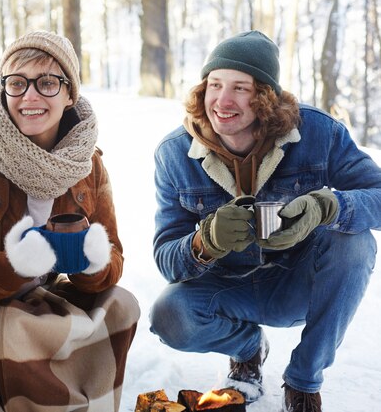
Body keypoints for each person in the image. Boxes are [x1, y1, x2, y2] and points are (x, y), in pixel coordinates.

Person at [149, 30, 381, 412]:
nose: (222, 101)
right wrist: (203, 241)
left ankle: (304, 380)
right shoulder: (174, 153)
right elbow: (165, 256)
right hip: (228, 288)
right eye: (215, 85)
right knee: (169, 314)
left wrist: (329, 207)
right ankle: (247, 349)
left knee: (355, 242)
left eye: (240, 88)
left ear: (265, 97)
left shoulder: (318, 132)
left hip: (299, 282)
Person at [0, 31, 140, 411]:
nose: (30, 96)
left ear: (70, 93)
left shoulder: (88, 165)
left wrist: (95, 261)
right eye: (17, 83)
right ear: (3, 90)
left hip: (47, 297)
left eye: (47, 83)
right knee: (17, 326)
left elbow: (115, 260)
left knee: (121, 303)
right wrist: (12, 267)